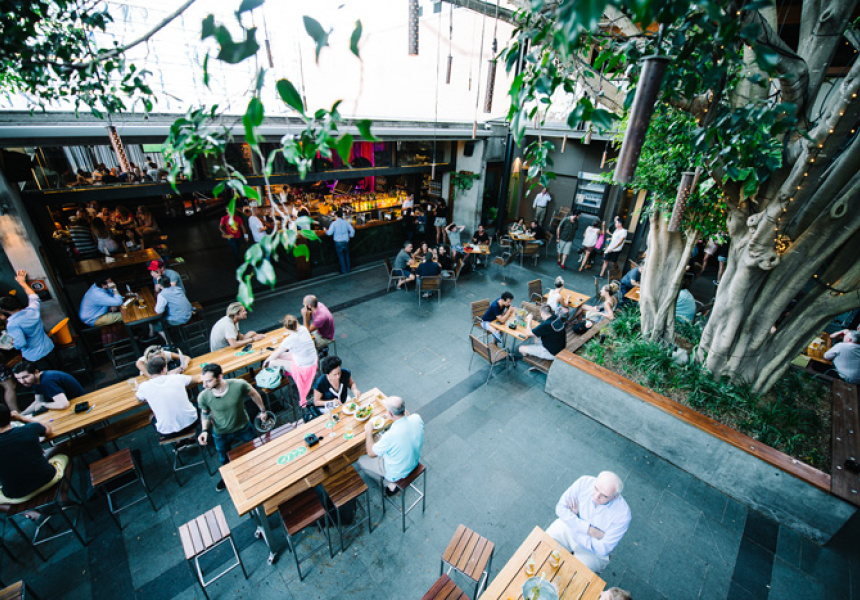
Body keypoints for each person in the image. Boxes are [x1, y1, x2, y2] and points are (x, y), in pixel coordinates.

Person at [197, 363, 267, 490]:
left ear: (219, 377)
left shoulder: (238, 384)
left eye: (208, 381)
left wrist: (262, 410)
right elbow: (205, 413)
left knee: (254, 450)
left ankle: (258, 472)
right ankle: (227, 478)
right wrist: (204, 431)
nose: (204, 385)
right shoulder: (204, 396)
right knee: (223, 458)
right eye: (203, 382)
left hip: (243, 427)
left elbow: (254, 394)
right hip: (220, 433)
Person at [546, 471, 631, 573]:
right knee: (544, 545)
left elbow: (603, 549)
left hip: (591, 552)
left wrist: (575, 519)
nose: (596, 496)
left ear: (615, 497)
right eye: (595, 488)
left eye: (604, 496)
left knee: (574, 577)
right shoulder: (584, 482)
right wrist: (589, 530)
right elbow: (560, 508)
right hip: (572, 532)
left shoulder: (623, 515)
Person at [0, 403, 69, 505]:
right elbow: (48, 429)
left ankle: (32, 514)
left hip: (17, 495)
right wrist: (21, 419)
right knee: (65, 450)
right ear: (11, 416)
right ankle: (64, 497)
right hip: (48, 478)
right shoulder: (29, 429)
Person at [357, 395, 424, 495]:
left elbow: (371, 453)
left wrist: (368, 432)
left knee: (361, 461)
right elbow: (408, 416)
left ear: (390, 413)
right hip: (414, 461)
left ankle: (389, 484)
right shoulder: (416, 418)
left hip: (397, 472)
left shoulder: (390, 436)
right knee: (382, 441)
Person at [136, 354, 202, 437]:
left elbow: (138, 399)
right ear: (164, 369)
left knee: (151, 416)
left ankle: (177, 442)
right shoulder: (176, 378)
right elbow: (195, 379)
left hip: (167, 432)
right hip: (192, 422)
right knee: (195, 404)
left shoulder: (144, 386)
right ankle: (191, 437)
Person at [1, 270, 54, 368]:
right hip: (49, 348)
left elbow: (21, 343)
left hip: (35, 356)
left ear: (5, 310)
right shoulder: (31, 311)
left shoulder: (12, 324)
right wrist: (22, 283)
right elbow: (33, 296)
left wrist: (13, 343)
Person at [264, 314, 318, 407]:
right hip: (312, 361)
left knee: (272, 362)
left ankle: (276, 381)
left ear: (285, 327)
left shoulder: (289, 340)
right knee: (280, 356)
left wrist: (265, 362)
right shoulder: (304, 330)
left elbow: (276, 353)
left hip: (303, 368)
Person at [13, 361, 84, 415]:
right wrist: (21, 415)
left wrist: (44, 404)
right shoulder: (34, 380)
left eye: (25, 377)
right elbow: (38, 401)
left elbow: (64, 404)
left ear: (36, 372)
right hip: (71, 404)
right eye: (18, 378)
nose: (22, 381)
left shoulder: (47, 381)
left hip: (79, 405)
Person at [326, 210, 356, 274]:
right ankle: (348, 269)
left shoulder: (334, 223)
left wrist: (325, 231)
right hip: (346, 241)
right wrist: (350, 236)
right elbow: (352, 230)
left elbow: (329, 233)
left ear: (336, 216)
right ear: (342, 216)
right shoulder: (346, 222)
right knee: (347, 255)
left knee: (341, 256)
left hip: (338, 242)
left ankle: (344, 271)